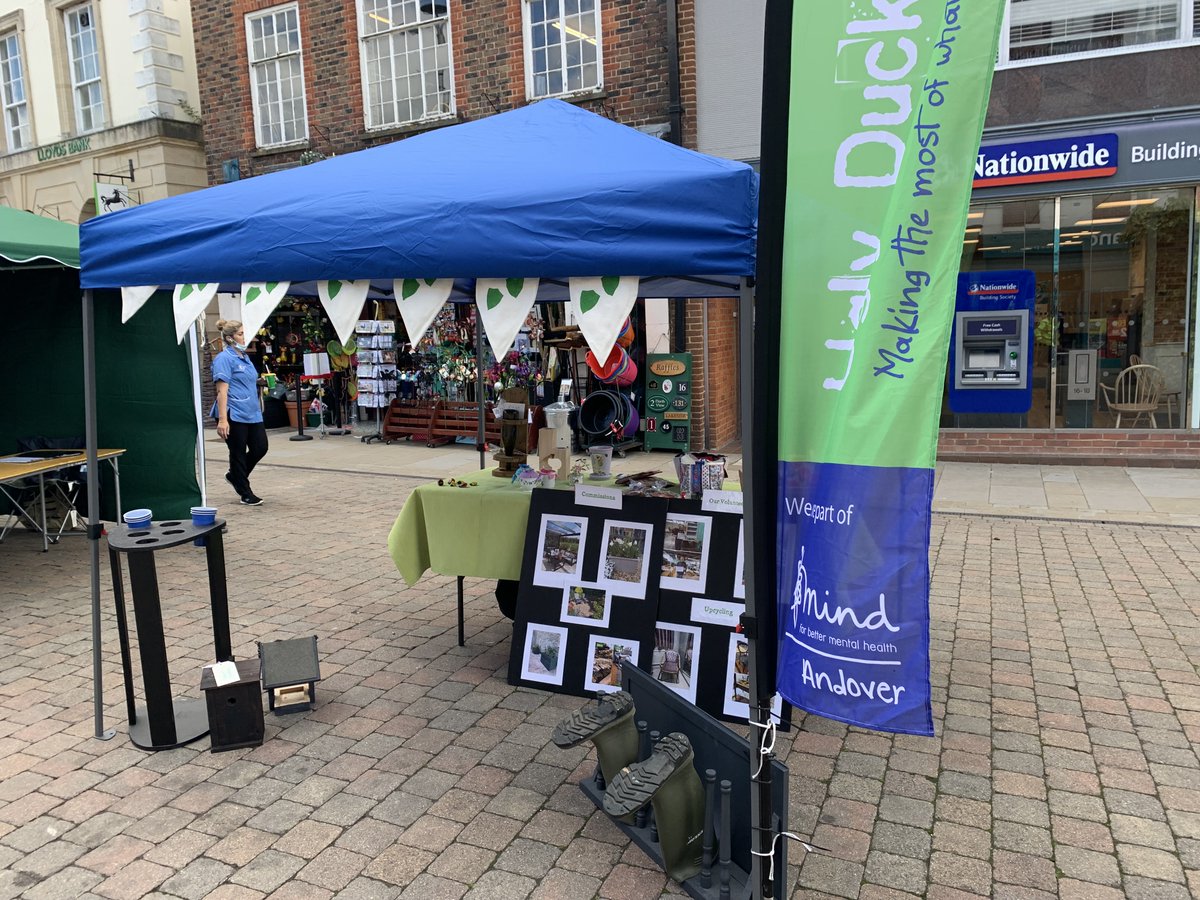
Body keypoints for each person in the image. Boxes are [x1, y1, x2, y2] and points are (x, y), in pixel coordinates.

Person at [212, 319, 267, 505]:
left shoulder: (244, 356)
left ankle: (235, 475)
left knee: (261, 447)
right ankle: (245, 492)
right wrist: (222, 420)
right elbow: (222, 391)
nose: (245, 337)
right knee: (237, 451)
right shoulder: (224, 359)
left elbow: (247, 379)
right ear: (229, 338)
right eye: (241, 334)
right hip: (233, 412)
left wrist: (260, 382)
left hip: (252, 411)